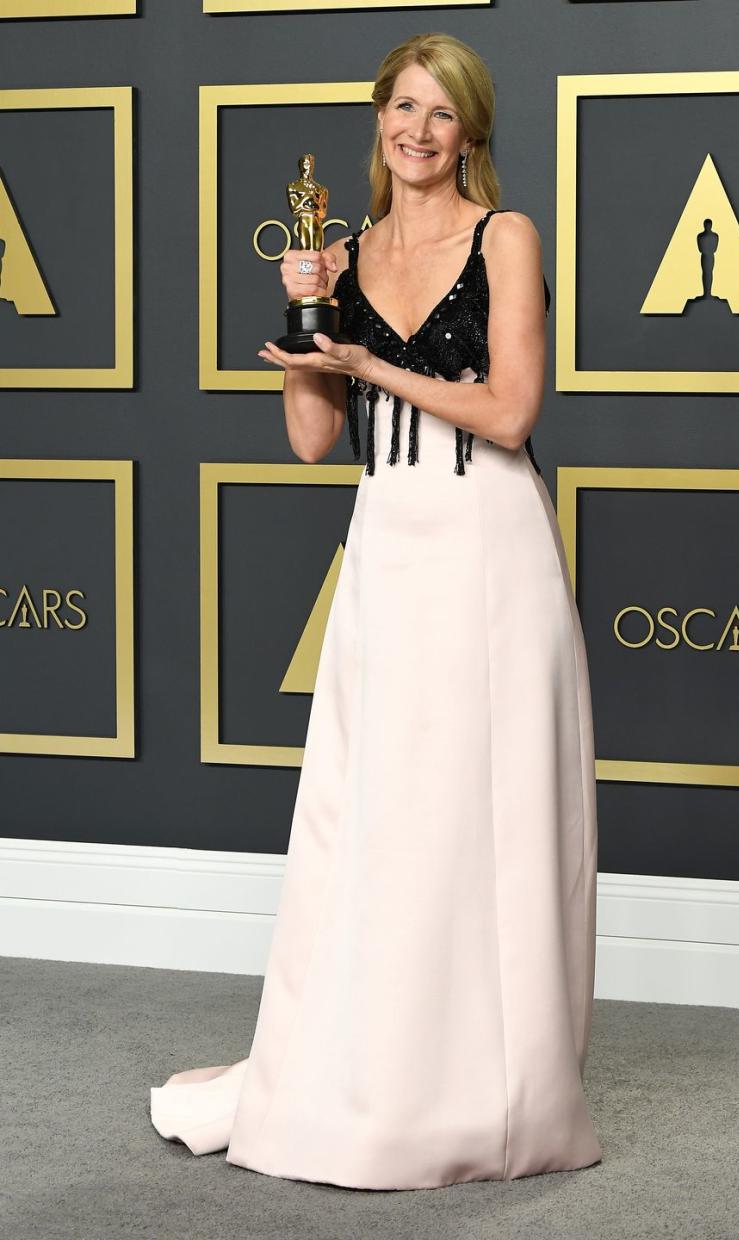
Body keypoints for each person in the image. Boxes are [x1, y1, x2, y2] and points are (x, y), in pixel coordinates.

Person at [149, 31, 602, 1191]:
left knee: (482, 816)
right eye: (403, 107)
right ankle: (371, 1079)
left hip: (491, 545)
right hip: (388, 542)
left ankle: (494, 1097)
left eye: (441, 113)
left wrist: (369, 361)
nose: (418, 130)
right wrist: (305, 340)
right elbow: (311, 441)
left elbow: (508, 412)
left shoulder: (506, 236)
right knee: (381, 815)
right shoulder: (336, 252)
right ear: (378, 121)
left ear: (471, 134)